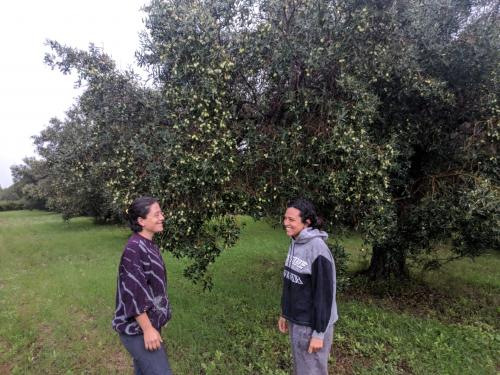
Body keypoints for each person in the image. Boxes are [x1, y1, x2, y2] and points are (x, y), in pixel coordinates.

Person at [112, 196, 173, 375]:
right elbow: (133, 294)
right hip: (136, 329)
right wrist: (148, 329)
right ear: (141, 221)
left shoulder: (148, 244)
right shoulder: (134, 250)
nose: (162, 217)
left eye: (161, 212)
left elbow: (153, 286)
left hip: (150, 323)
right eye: (156, 214)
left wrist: (161, 315)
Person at [278, 198, 338, 375]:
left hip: (312, 325)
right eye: (285, 218)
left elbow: (325, 295)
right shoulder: (295, 242)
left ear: (307, 222)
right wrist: (284, 312)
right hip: (297, 320)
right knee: (302, 369)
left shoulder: (317, 249)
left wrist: (319, 334)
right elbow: (291, 281)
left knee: (312, 371)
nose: (286, 223)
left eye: (291, 220)